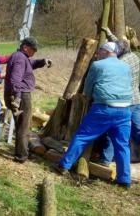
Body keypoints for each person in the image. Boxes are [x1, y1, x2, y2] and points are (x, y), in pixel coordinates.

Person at [56, 42, 132, 188]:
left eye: (100, 51)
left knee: (83, 136)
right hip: (124, 110)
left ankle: (64, 166)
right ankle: (124, 180)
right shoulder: (126, 67)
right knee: (122, 145)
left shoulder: (98, 66)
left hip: (104, 108)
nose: (98, 54)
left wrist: (88, 97)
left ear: (105, 51)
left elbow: (88, 89)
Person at [96, 27, 140, 165]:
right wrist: (109, 34)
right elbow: (121, 45)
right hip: (136, 100)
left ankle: (105, 160)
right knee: (138, 129)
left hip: (124, 101)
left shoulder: (121, 63)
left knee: (113, 129)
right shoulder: (133, 55)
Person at [4, 37, 52, 163]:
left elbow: (30, 64)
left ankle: (21, 152)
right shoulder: (20, 58)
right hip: (21, 95)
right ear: (25, 47)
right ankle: (21, 156)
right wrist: (18, 97)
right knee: (23, 127)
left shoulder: (21, 57)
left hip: (19, 94)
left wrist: (42, 62)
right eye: (34, 49)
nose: (35, 52)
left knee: (22, 125)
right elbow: (15, 79)